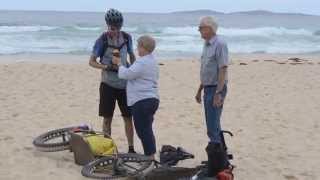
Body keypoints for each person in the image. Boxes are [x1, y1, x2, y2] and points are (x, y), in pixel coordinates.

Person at [89, 8, 136, 153]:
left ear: (121, 25)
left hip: (124, 85)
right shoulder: (102, 40)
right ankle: (107, 148)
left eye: (117, 27)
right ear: (108, 25)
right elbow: (91, 62)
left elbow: (132, 55)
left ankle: (131, 148)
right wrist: (106, 66)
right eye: (111, 27)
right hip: (107, 84)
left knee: (128, 118)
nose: (114, 31)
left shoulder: (127, 37)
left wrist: (132, 70)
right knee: (107, 118)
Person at [112, 35, 159, 159]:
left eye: (139, 46)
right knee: (146, 129)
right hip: (151, 98)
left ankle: (151, 157)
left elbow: (126, 74)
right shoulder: (152, 60)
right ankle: (150, 155)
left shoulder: (143, 62)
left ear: (144, 47)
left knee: (143, 130)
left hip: (142, 100)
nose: (137, 49)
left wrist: (119, 64)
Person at [195, 16, 230, 176]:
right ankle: (221, 159)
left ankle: (217, 164)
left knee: (212, 127)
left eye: (201, 27)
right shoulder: (206, 45)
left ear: (209, 28)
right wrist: (199, 89)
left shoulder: (220, 44)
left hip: (216, 89)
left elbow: (223, 69)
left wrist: (218, 93)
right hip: (208, 88)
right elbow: (206, 70)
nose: (199, 30)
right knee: (214, 125)